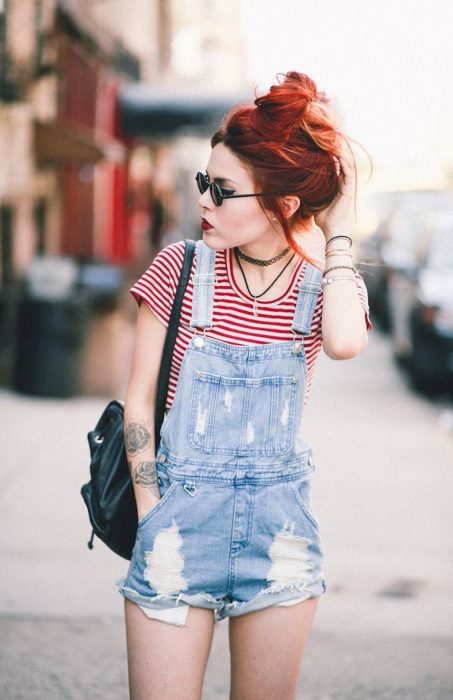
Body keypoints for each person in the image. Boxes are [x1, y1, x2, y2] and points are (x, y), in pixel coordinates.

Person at [118, 71, 372, 700]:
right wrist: (152, 515)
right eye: (204, 182)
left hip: (279, 542)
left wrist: (337, 230)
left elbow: (344, 343)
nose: (203, 199)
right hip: (176, 531)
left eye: (223, 190)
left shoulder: (323, 285)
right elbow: (138, 399)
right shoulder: (178, 269)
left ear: (283, 204)